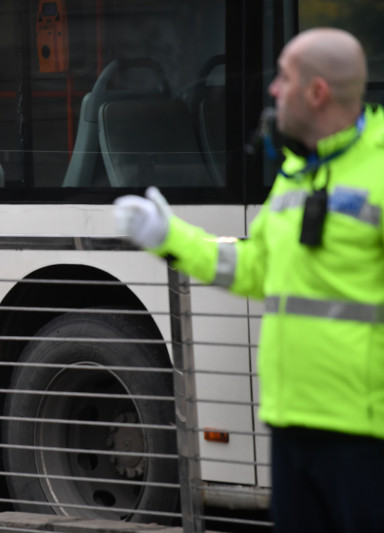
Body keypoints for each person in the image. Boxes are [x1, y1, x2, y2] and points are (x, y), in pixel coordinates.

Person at [113, 28, 384, 533]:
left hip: (366, 435)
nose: (274, 90)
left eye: (284, 77)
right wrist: (169, 236)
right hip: (291, 422)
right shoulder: (299, 170)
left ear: (317, 92)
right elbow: (257, 266)